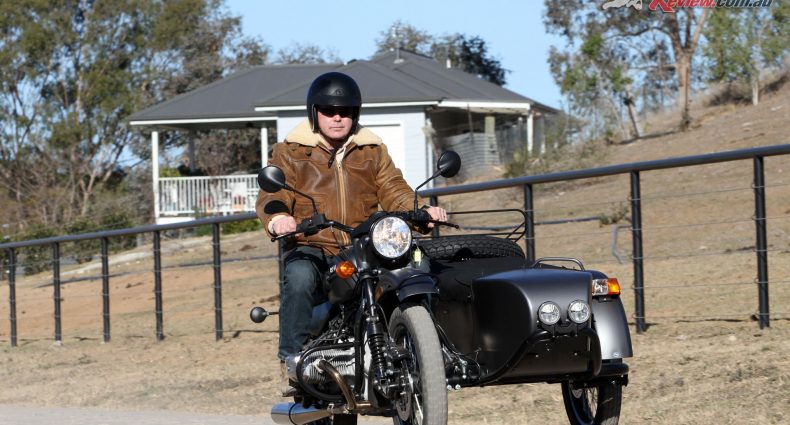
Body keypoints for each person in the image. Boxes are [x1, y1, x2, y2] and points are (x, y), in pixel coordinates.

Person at [255, 71, 446, 395]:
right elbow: (272, 195)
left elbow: (394, 189)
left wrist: (421, 210)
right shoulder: (291, 151)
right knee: (299, 277)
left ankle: (425, 350)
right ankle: (292, 361)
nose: (337, 117)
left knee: (418, 264)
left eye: (345, 111)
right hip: (314, 242)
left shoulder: (371, 150)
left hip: (364, 244)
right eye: (329, 110)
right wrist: (279, 218)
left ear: (355, 113)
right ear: (314, 112)